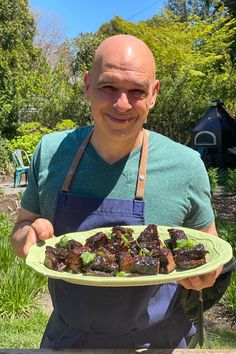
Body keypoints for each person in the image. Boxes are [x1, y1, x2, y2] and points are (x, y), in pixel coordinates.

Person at [12, 34, 222, 349]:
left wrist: (206, 274)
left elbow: (211, 247)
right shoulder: (52, 151)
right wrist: (27, 235)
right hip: (69, 341)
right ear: (86, 85)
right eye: (108, 86)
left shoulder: (186, 165)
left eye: (137, 90)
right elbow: (21, 231)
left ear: (154, 94)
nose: (122, 104)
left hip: (159, 342)